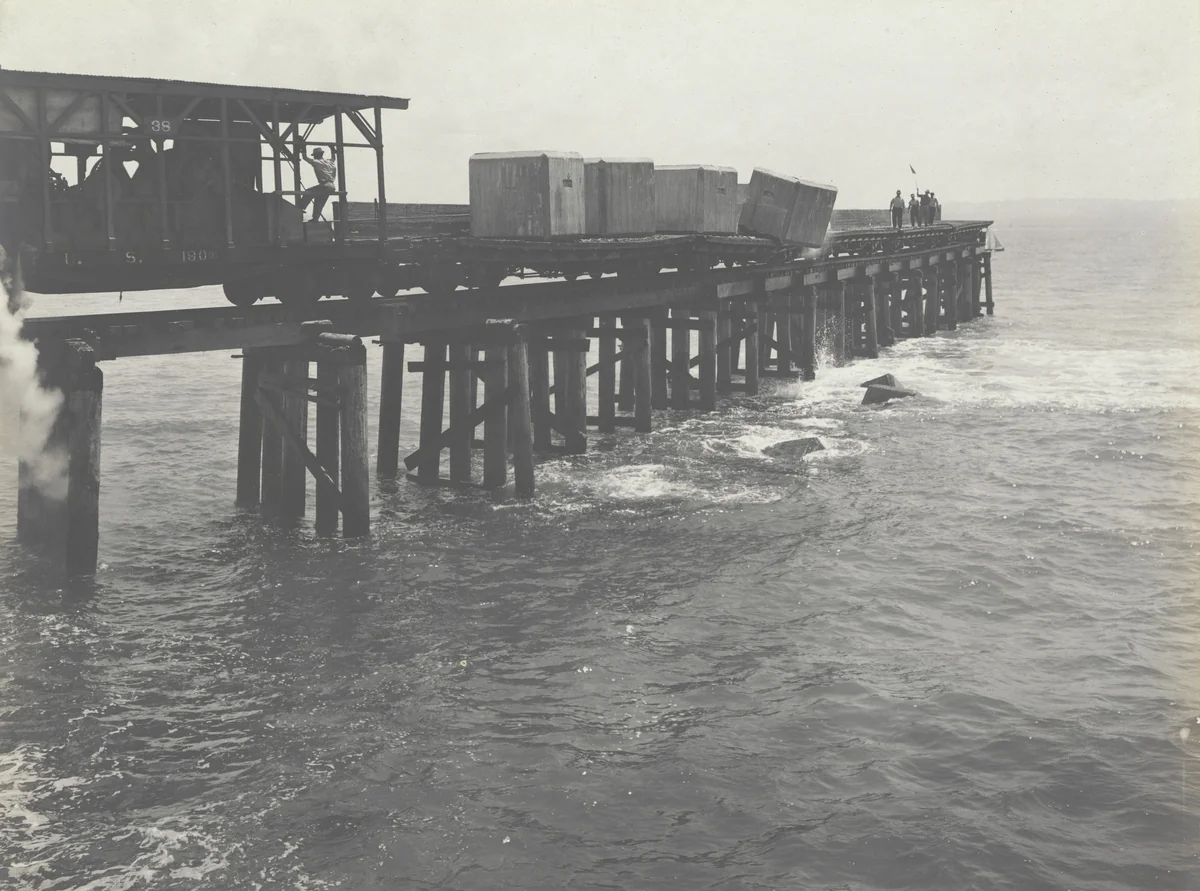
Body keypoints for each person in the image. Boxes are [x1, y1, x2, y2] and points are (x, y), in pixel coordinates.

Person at [298, 145, 337, 222]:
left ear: (316, 155)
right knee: (319, 201)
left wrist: (303, 146)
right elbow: (334, 157)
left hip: (324, 185)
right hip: (332, 186)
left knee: (308, 192)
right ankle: (315, 218)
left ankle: (300, 207)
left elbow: (305, 157)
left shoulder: (316, 162)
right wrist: (332, 149)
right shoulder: (330, 162)